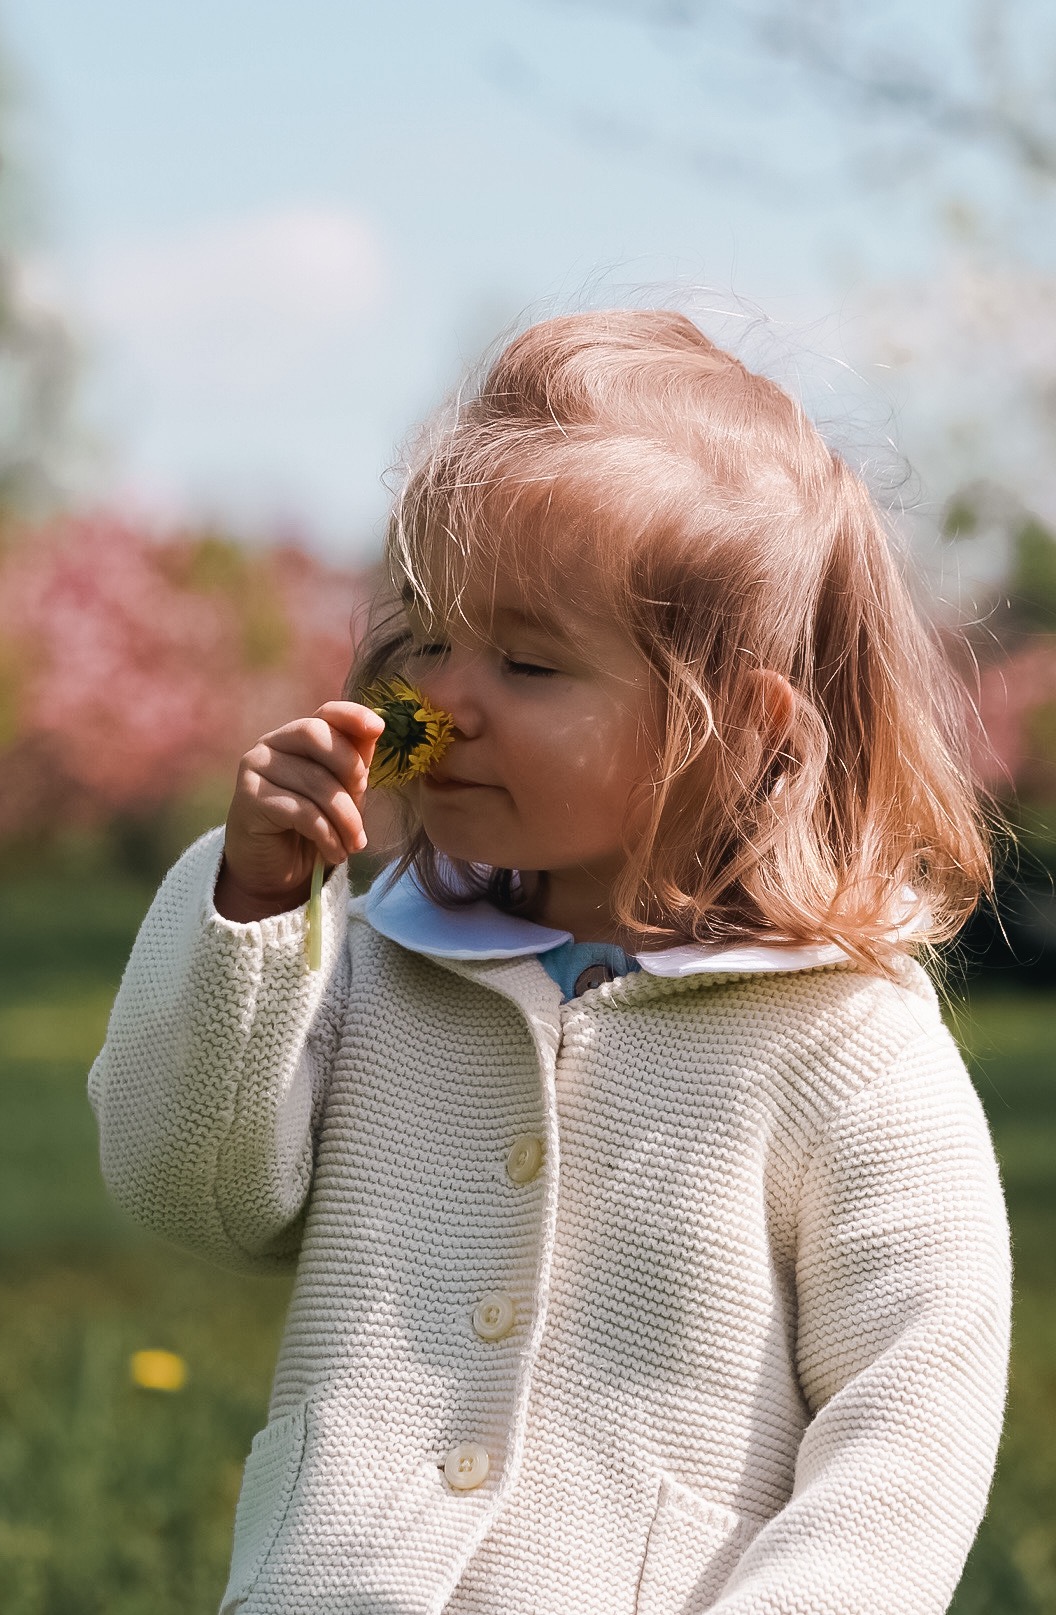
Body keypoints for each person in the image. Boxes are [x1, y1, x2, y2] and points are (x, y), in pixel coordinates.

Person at [89, 310, 1011, 1615]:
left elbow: (913, 1405)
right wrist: (251, 903)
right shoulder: (375, 963)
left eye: (526, 661)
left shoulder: (844, 1042)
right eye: (422, 637)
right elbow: (187, 1190)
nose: (441, 702)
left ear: (738, 732)